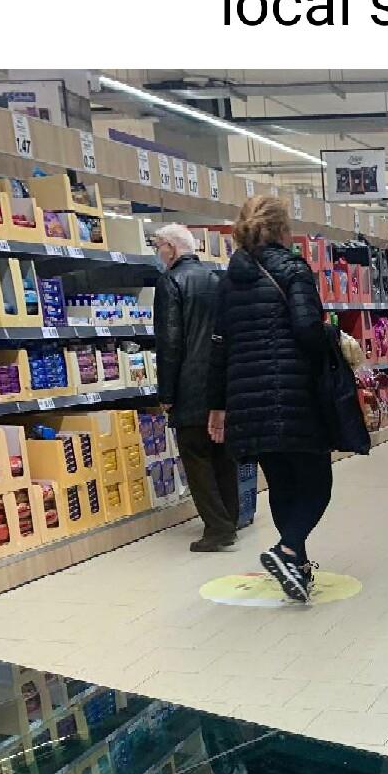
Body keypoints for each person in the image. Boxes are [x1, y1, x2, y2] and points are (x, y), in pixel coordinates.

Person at [210, 195, 335, 602]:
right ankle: (287, 549)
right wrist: (333, 335)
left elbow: (218, 346)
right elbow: (307, 332)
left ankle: (295, 568)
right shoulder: (293, 270)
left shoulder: (228, 280)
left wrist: (218, 405)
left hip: (245, 399)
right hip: (291, 395)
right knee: (317, 483)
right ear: (284, 230)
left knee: (281, 484)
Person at [152, 223, 239, 552]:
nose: (157, 252)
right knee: (222, 452)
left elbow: (170, 342)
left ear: (172, 249)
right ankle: (230, 518)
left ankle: (217, 529)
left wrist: (167, 394)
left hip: (189, 386)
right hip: (219, 383)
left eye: (158, 246)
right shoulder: (216, 278)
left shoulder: (170, 281)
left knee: (196, 455)